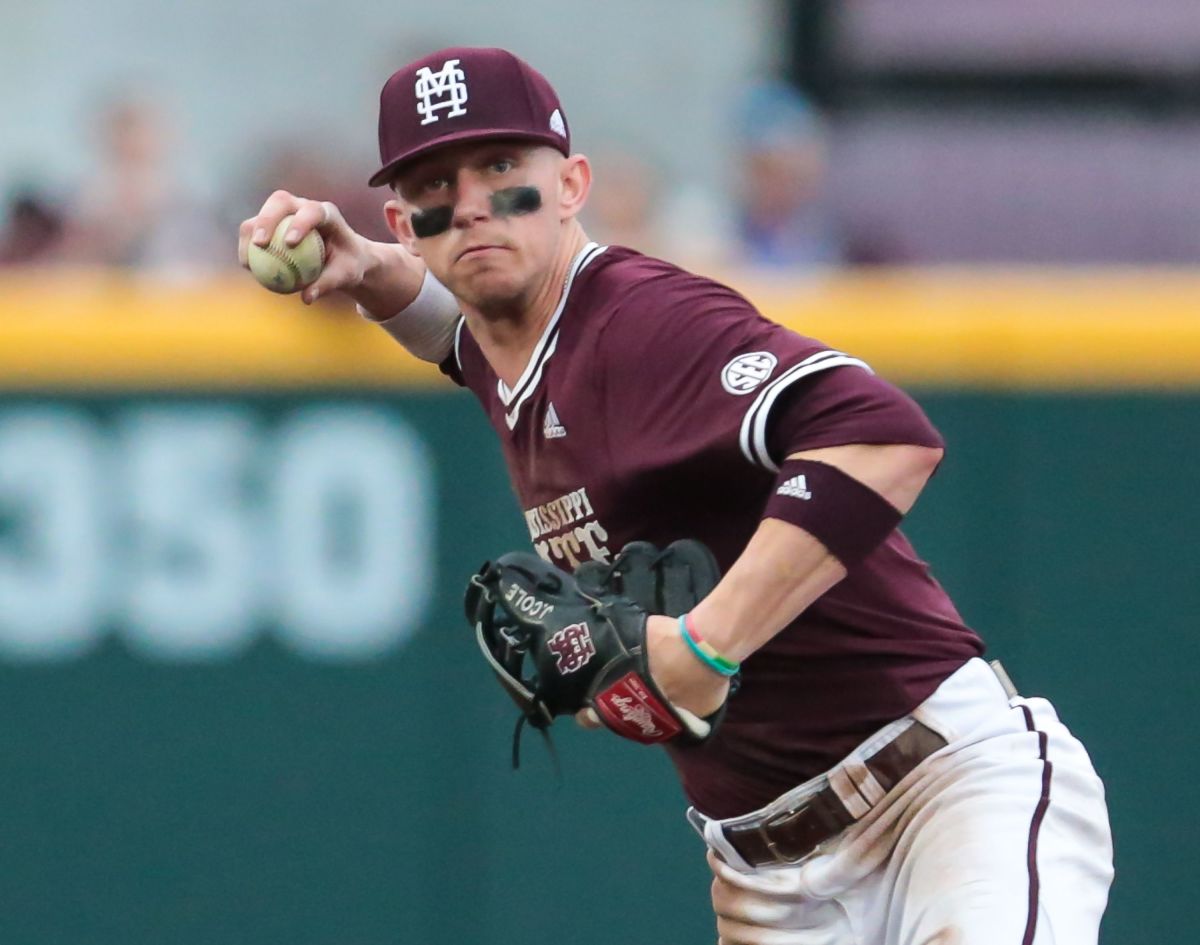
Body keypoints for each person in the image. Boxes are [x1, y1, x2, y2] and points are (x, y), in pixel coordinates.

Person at [238, 47, 1113, 944]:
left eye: (501, 168)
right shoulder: (513, 344)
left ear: (573, 183)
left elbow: (884, 436)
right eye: (434, 183)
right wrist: (372, 272)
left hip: (941, 796)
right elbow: (462, 341)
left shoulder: (640, 321)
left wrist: (708, 643)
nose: (470, 203)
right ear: (403, 219)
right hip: (769, 882)